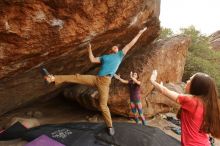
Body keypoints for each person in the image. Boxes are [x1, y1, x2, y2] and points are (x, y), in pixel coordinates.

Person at [41, 27, 147, 136]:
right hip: (96, 79)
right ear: (111, 50)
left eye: (117, 46)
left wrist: (140, 33)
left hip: (105, 82)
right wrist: (89, 48)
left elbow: (131, 44)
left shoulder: (120, 55)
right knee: (77, 77)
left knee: (103, 105)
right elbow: (92, 59)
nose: (116, 47)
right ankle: (52, 78)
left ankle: (110, 126)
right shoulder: (105, 57)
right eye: (114, 46)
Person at [150, 70, 220, 146]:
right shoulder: (207, 104)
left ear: (196, 86)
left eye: (190, 80)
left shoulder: (191, 101)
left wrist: (152, 80)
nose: (187, 81)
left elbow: (164, 91)